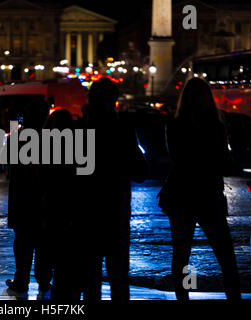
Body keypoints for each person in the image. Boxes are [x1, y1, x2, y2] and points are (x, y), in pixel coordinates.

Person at [159, 77, 241, 301]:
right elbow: (216, 160)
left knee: (187, 256)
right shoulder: (214, 126)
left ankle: (184, 296)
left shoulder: (176, 126)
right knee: (220, 256)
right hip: (204, 194)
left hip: (187, 194)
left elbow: (182, 159)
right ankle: (230, 296)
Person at [79, 77, 148, 301]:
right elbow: (141, 172)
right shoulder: (123, 130)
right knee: (119, 276)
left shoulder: (81, 130)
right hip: (116, 209)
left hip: (88, 211)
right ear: (114, 102)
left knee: (90, 277)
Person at [6, 98, 52, 293]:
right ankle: (43, 280)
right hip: (43, 197)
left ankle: (22, 279)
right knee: (44, 242)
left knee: (23, 241)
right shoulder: (53, 137)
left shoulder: (19, 136)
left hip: (22, 197)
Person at [41, 109, 81, 299]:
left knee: (54, 248)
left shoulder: (45, 146)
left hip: (53, 204)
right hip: (71, 204)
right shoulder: (77, 144)